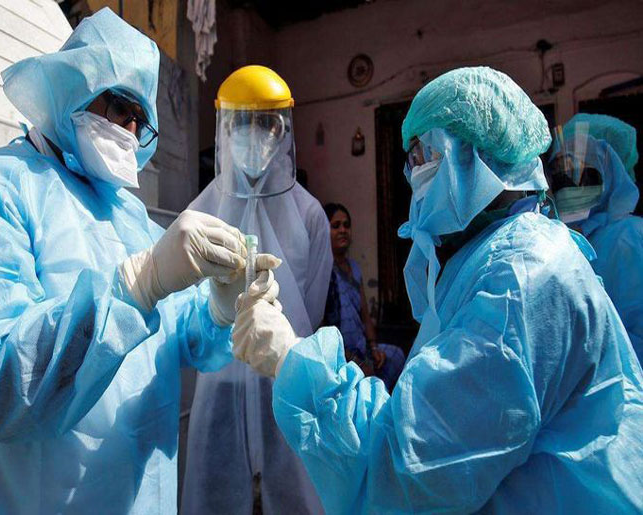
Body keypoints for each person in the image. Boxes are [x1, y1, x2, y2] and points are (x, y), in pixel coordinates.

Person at [232, 67, 643, 513]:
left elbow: (409, 465)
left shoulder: (523, 278)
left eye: (423, 155)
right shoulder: (489, 257)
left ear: (478, 154)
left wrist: (292, 359)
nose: (414, 176)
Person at [0, 9, 278, 514]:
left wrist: (221, 308)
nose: (129, 127)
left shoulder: (132, 219)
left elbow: (182, 337)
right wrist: (136, 286)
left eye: (140, 120)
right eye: (119, 105)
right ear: (72, 88)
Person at [182, 65, 331, 514]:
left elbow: (313, 307)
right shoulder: (201, 210)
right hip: (219, 381)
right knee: (217, 493)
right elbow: (188, 311)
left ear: (283, 129)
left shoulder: (308, 213)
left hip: (285, 373)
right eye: (241, 122)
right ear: (224, 129)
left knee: (295, 493)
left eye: (265, 123)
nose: (254, 134)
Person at [547, 113, 642, 361]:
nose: (569, 183)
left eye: (581, 172)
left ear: (610, 170)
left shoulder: (629, 236)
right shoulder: (563, 239)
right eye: (560, 171)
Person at [323, 202, 405, 391]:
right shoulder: (325, 272)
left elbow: (366, 316)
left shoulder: (354, 267)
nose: (343, 230)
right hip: (339, 354)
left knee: (396, 356)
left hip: (361, 347)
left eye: (346, 225)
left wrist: (374, 348)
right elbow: (323, 326)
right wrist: (355, 361)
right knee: (363, 380)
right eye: (336, 226)